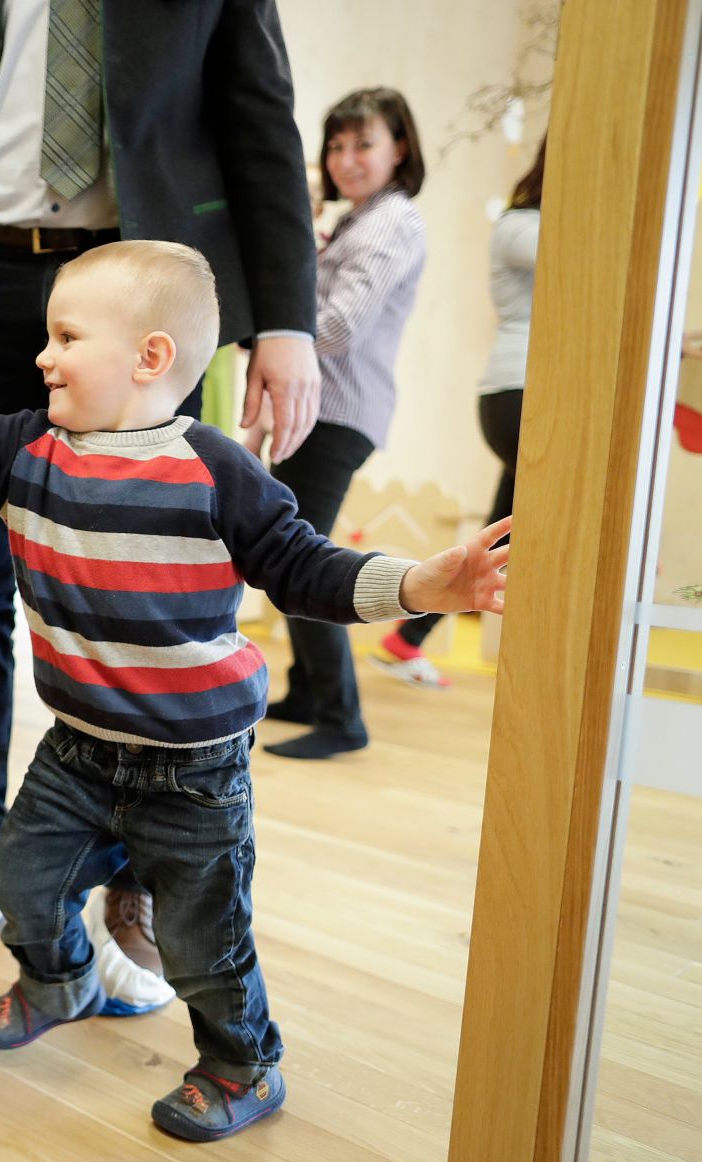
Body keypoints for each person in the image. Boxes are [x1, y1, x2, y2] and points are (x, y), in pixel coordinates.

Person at [0, 238, 508, 1141]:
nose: (42, 355)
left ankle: (243, 1066)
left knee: (205, 943)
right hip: (78, 749)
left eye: (65, 335)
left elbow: (302, 566)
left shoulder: (216, 471)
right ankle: (60, 980)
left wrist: (422, 585)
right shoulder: (23, 452)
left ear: (150, 357)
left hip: (196, 770)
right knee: (19, 882)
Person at [0, 0, 322, 1011]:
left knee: (160, 596)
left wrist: (284, 316)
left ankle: (133, 887)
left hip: (145, 287)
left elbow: (257, 115)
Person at [260, 87, 429, 760]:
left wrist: (269, 316)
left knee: (297, 556)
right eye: (336, 145)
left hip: (339, 412)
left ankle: (342, 716)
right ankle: (308, 691)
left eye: (365, 143)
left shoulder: (390, 222)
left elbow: (336, 327)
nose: (347, 158)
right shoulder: (361, 219)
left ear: (400, 149)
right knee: (288, 546)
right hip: (323, 408)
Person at [375, 137, 542, 686]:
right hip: (521, 391)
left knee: (506, 529)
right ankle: (539, 659)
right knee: (540, 526)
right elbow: (596, 260)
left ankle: (408, 637)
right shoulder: (523, 226)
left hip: (528, 392)